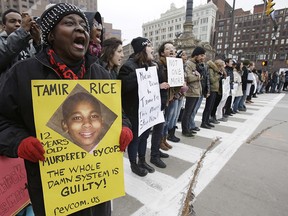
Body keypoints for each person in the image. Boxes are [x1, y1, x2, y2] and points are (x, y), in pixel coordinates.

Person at [0, 3, 132, 215]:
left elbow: (120, 115)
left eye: (82, 25)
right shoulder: (23, 73)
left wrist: (124, 127)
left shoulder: (101, 75)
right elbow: (3, 121)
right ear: (51, 35)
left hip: (97, 185)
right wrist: (19, 142)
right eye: (69, 23)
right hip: (52, 189)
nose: (80, 29)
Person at [118, 37, 169, 175]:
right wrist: (140, 75)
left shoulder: (152, 65)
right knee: (136, 138)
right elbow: (124, 87)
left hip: (148, 110)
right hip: (134, 111)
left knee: (145, 136)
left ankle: (142, 160)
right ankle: (134, 164)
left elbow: (155, 86)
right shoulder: (128, 66)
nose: (153, 48)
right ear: (142, 49)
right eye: (150, 46)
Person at [0, 8, 41, 75]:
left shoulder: (27, 44)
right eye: (12, 21)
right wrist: (22, 31)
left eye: (20, 22)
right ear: (4, 26)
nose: (18, 24)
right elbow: (4, 54)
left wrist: (37, 42)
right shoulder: (2, 41)